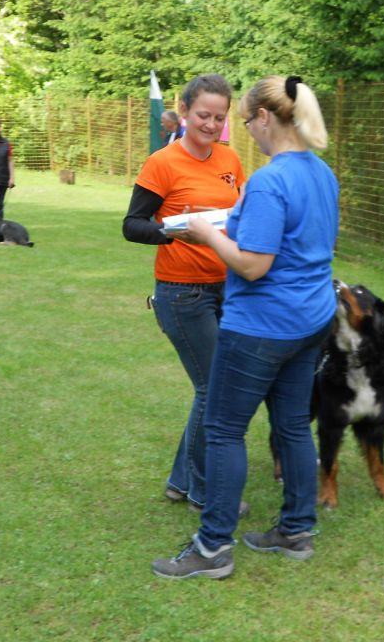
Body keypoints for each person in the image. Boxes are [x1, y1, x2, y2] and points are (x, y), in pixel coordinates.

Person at [151, 75, 339, 580]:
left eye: (245, 120)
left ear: (263, 118)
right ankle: (296, 531)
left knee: (224, 429)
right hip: (311, 319)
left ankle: (212, 549)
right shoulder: (322, 174)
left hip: (263, 325)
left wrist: (207, 232)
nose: (243, 131)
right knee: (293, 425)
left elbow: (254, 265)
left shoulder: (270, 180)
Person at [123, 74, 247, 514]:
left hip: (226, 289)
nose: (211, 124)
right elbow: (132, 225)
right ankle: (203, 488)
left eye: (219, 116)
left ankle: (181, 481)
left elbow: (241, 215)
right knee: (214, 388)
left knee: (213, 387)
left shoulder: (231, 159)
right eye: (202, 115)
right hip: (182, 293)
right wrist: (176, 230)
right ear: (185, 111)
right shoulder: (162, 162)